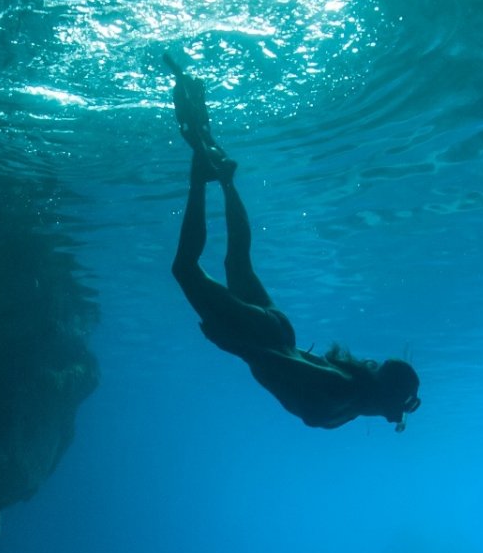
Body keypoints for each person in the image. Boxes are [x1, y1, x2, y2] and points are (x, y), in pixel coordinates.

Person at [166, 59, 421, 431]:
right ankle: (201, 175)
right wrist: (230, 343)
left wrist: (250, 347)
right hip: (262, 340)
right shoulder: (343, 395)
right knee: (185, 270)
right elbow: (274, 362)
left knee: (239, 262)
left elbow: (287, 359)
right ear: (387, 404)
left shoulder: (347, 393)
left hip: (280, 330)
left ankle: (225, 181)